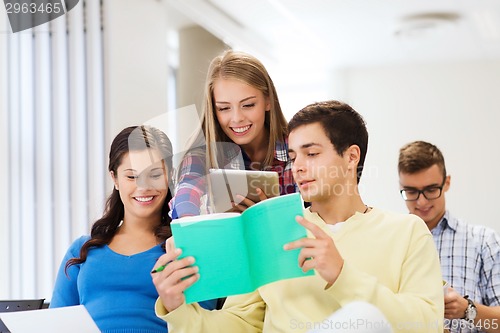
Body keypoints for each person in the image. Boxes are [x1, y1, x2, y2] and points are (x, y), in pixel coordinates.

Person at [152, 100, 444, 333]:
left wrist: (342, 275)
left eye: (312, 154)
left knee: (365, 317)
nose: (298, 167)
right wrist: (177, 307)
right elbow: (239, 324)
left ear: (351, 156)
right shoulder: (274, 231)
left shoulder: (407, 231)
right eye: (293, 157)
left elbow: (426, 324)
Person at [50, 125, 217, 333]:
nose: (143, 186)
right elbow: (54, 324)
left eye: (155, 174)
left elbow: (206, 324)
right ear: (115, 178)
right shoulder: (82, 250)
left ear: (170, 176)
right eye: (131, 176)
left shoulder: (187, 247)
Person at [169, 49, 296, 219]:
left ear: (268, 101)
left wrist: (270, 217)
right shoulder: (202, 156)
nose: (236, 119)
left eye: (248, 105)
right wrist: (189, 225)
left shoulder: (297, 149)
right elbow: (187, 190)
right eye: (224, 108)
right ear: (214, 110)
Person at [398, 140, 500, 333]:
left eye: (430, 190)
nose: (421, 201)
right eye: (411, 191)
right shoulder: (391, 242)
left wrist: (468, 310)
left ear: (447, 183)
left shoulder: (483, 241)